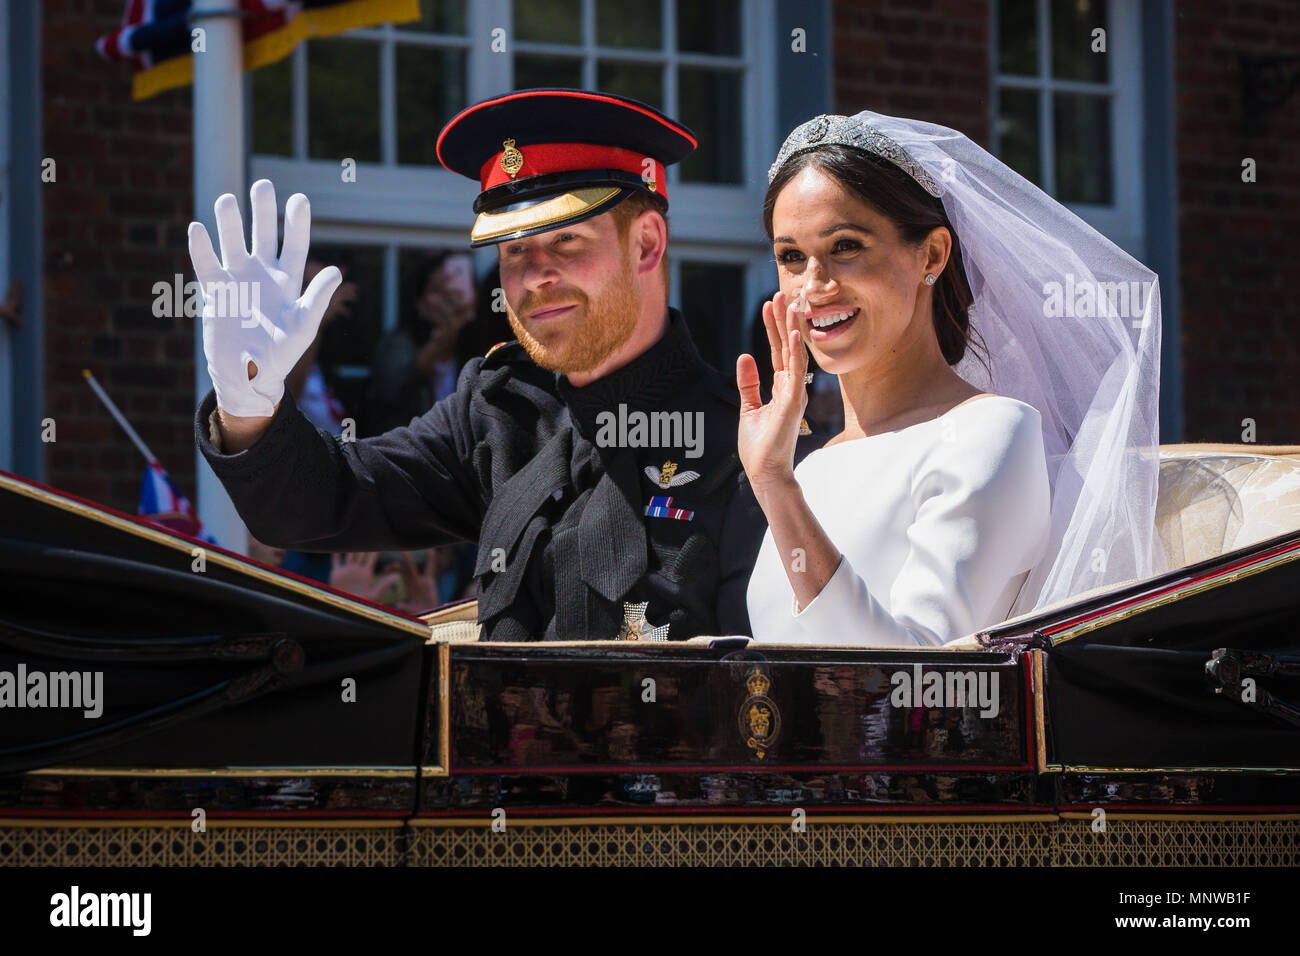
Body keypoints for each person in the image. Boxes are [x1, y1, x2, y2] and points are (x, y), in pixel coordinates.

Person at [190, 88, 820, 642]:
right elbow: (323, 502)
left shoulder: (745, 443)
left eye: (567, 240)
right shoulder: (498, 413)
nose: (535, 277)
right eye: (514, 250)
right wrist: (250, 404)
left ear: (647, 244)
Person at [739, 111, 1163, 646]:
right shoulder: (812, 465)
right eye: (791, 257)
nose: (814, 286)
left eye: (845, 246)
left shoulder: (988, 432)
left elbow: (913, 678)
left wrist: (777, 489)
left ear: (931, 254)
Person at [369, 251, 477, 434]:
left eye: (454, 289)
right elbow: (392, 391)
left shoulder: (480, 349)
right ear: (419, 302)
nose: (447, 297)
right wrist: (443, 337)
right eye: (436, 290)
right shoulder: (398, 345)